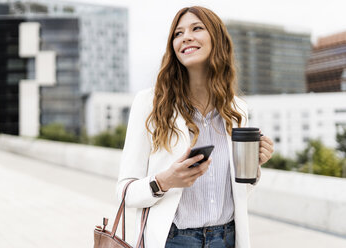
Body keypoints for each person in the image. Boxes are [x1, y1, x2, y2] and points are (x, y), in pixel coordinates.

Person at [117, 6, 274, 248]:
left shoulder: (237, 109)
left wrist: (253, 167)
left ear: (217, 39)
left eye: (196, 28)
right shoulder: (149, 103)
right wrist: (165, 181)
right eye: (178, 33)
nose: (186, 37)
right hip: (174, 240)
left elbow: (239, 195)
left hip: (227, 239)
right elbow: (124, 192)